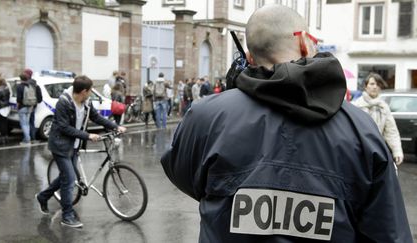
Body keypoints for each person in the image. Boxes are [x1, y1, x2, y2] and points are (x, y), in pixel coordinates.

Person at [160, 4, 412, 243]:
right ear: (303, 42)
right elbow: (388, 232)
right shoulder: (361, 129)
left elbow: (183, 174)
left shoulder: (205, 116)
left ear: (249, 55)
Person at [35, 75, 126, 228]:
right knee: (70, 179)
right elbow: (64, 127)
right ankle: (67, 215)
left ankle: (43, 196)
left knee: (65, 177)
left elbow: (97, 118)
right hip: (60, 145)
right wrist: (88, 135)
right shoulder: (64, 103)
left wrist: (115, 126)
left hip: (74, 145)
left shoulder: (86, 102)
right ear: (84, 91)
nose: (91, 93)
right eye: (90, 90)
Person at [352, 73, 404, 166]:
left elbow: (391, 131)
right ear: (365, 86)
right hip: (359, 151)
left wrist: (397, 151)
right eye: (372, 84)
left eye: (378, 84)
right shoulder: (356, 106)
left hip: (378, 151)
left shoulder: (383, 107)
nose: (375, 87)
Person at [24, 69, 43, 142]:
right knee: (32, 121)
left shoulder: (25, 84)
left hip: (25, 106)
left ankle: (27, 138)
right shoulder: (36, 85)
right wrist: (34, 103)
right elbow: (40, 98)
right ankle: (33, 138)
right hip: (33, 106)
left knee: (25, 123)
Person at [0, 74, 10, 145]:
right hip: (6, 107)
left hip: (0, 108)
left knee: (0, 124)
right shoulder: (7, 88)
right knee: (5, 122)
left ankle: (2, 138)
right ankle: (6, 137)